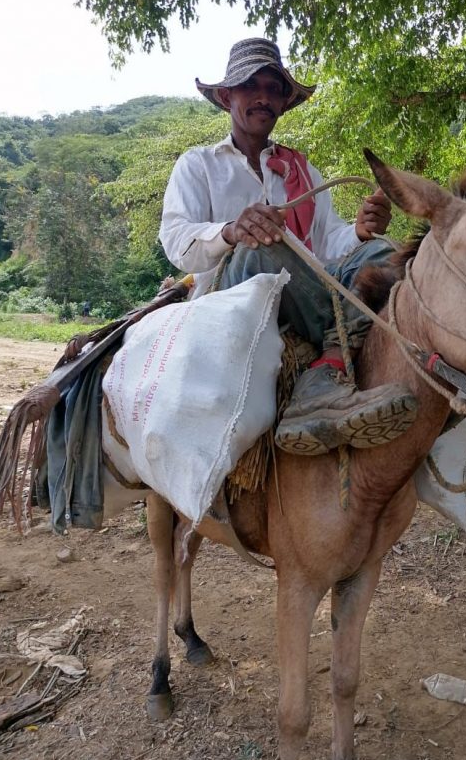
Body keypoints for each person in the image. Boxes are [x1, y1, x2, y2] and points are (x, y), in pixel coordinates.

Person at [160, 38, 416, 456]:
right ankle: (346, 345)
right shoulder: (198, 163)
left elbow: (329, 243)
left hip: (306, 289)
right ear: (227, 97)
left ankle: (329, 364)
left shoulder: (304, 169)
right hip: (232, 296)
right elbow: (176, 242)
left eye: (274, 88)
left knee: (385, 255)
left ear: (282, 102)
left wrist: (361, 232)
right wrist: (231, 231)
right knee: (264, 246)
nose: (263, 97)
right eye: (250, 86)